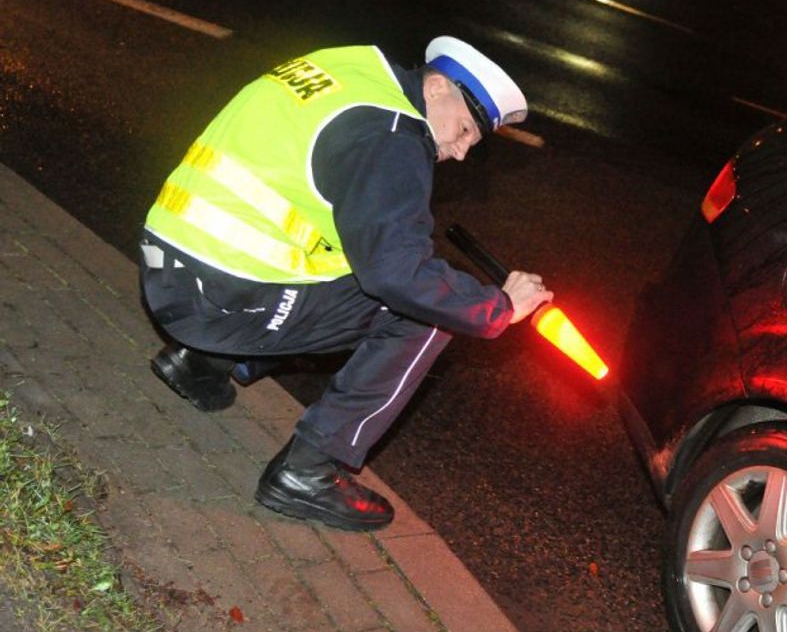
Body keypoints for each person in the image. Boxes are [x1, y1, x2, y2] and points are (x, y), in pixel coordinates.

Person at [139, 37, 553, 531]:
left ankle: (203, 361)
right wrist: (498, 306)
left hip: (173, 262)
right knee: (428, 316)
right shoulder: (395, 135)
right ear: (437, 88)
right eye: (464, 130)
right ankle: (308, 471)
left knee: (361, 263)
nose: (461, 152)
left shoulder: (350, 68)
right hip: (220, 297)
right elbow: (398, 276)